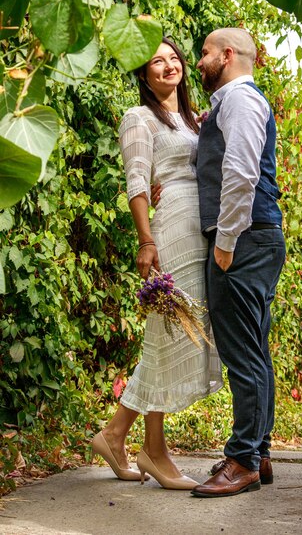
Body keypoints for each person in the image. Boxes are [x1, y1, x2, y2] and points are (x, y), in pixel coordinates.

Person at [92, 38, 222, 490]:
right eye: (155, 62)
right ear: (143, 75)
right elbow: (136, 182)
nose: (168, 66)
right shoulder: (139, 117)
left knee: (170, 336)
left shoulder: (191, 119)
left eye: (173, 58)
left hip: (198, 230)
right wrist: (146, 239)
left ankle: (114, 434)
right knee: (169, 335)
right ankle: (154, 451)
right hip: (168, 233)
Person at [191, 28, 286, 498]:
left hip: (243, 242)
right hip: (257, 239)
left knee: (243, 354)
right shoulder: (233, 104)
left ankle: (243, 459)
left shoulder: (241, 101)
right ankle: (259, 452)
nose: (199, 62)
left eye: (205, 53)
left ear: (227, 55)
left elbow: (242, 171)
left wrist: (225, 242)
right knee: (256, 349)